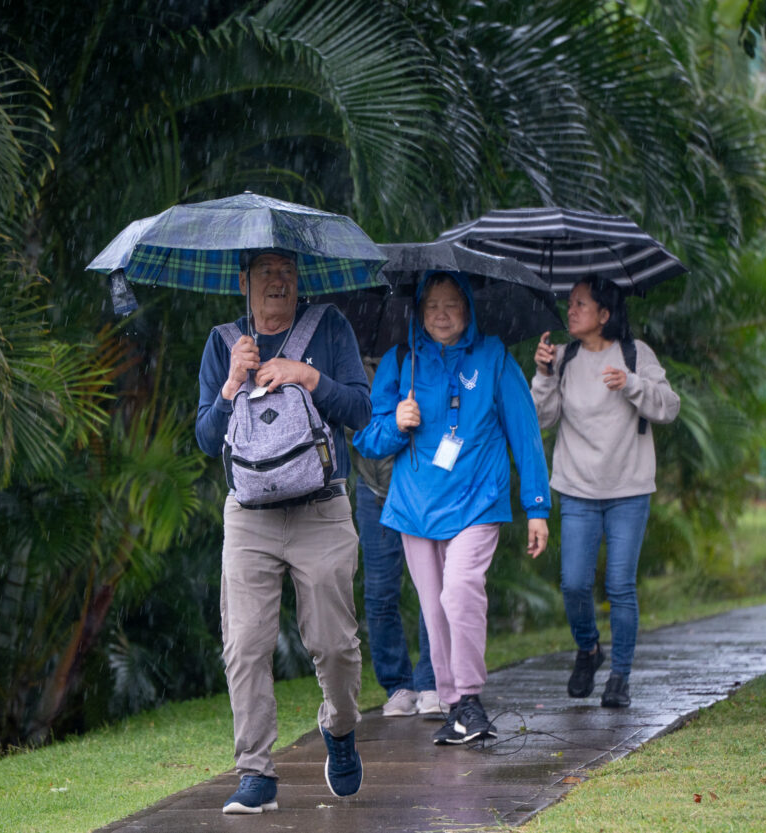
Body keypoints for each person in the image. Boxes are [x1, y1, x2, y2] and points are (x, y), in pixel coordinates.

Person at [196, 248, 370, 814]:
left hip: (321, 508)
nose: (279, 281)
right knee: (244, 644)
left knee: (333, 645)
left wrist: (308, 376)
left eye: (288, 272)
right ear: (243, 281)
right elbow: (204, 437)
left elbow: (361, 410)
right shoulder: (224, 342)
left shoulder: (330, 326)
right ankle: (256, 774)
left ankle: (339, 729)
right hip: (249, 517)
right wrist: (230, 385)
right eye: (267, 271)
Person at [353, 271, 551, 745]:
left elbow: (525, 433)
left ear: (469, 309)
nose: (442, 315)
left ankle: (469, 698)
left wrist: (537, 506)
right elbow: (368, 438)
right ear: (419, 312)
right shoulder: (402, 361)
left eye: (452, 304)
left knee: (460, 591)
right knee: (433, 607)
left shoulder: (494, 356)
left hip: (479, 499)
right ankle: (453, 704)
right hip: (415, 506)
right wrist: (397, 422)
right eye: (432, 306)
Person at [531, 277, 680, 709]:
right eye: (570, 303)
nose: (571, 311)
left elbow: (669, 407)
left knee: (620, 585)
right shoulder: (562, 358)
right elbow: (542, 418)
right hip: (577, 488)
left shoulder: (636, 354)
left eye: (580, 304)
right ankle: (589, 648)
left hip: (628, 490)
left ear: (604, 315)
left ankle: (620, 676)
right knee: (574, 584)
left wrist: (632, 383)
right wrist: (542, 374)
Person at [352, 357, 442, 718]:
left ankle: (433, 680)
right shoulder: (348, 364)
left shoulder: (421, 355)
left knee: (430, 587)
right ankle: (398, 685)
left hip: (424, 491)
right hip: (373, 492)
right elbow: (357, 431)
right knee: (379, 593)